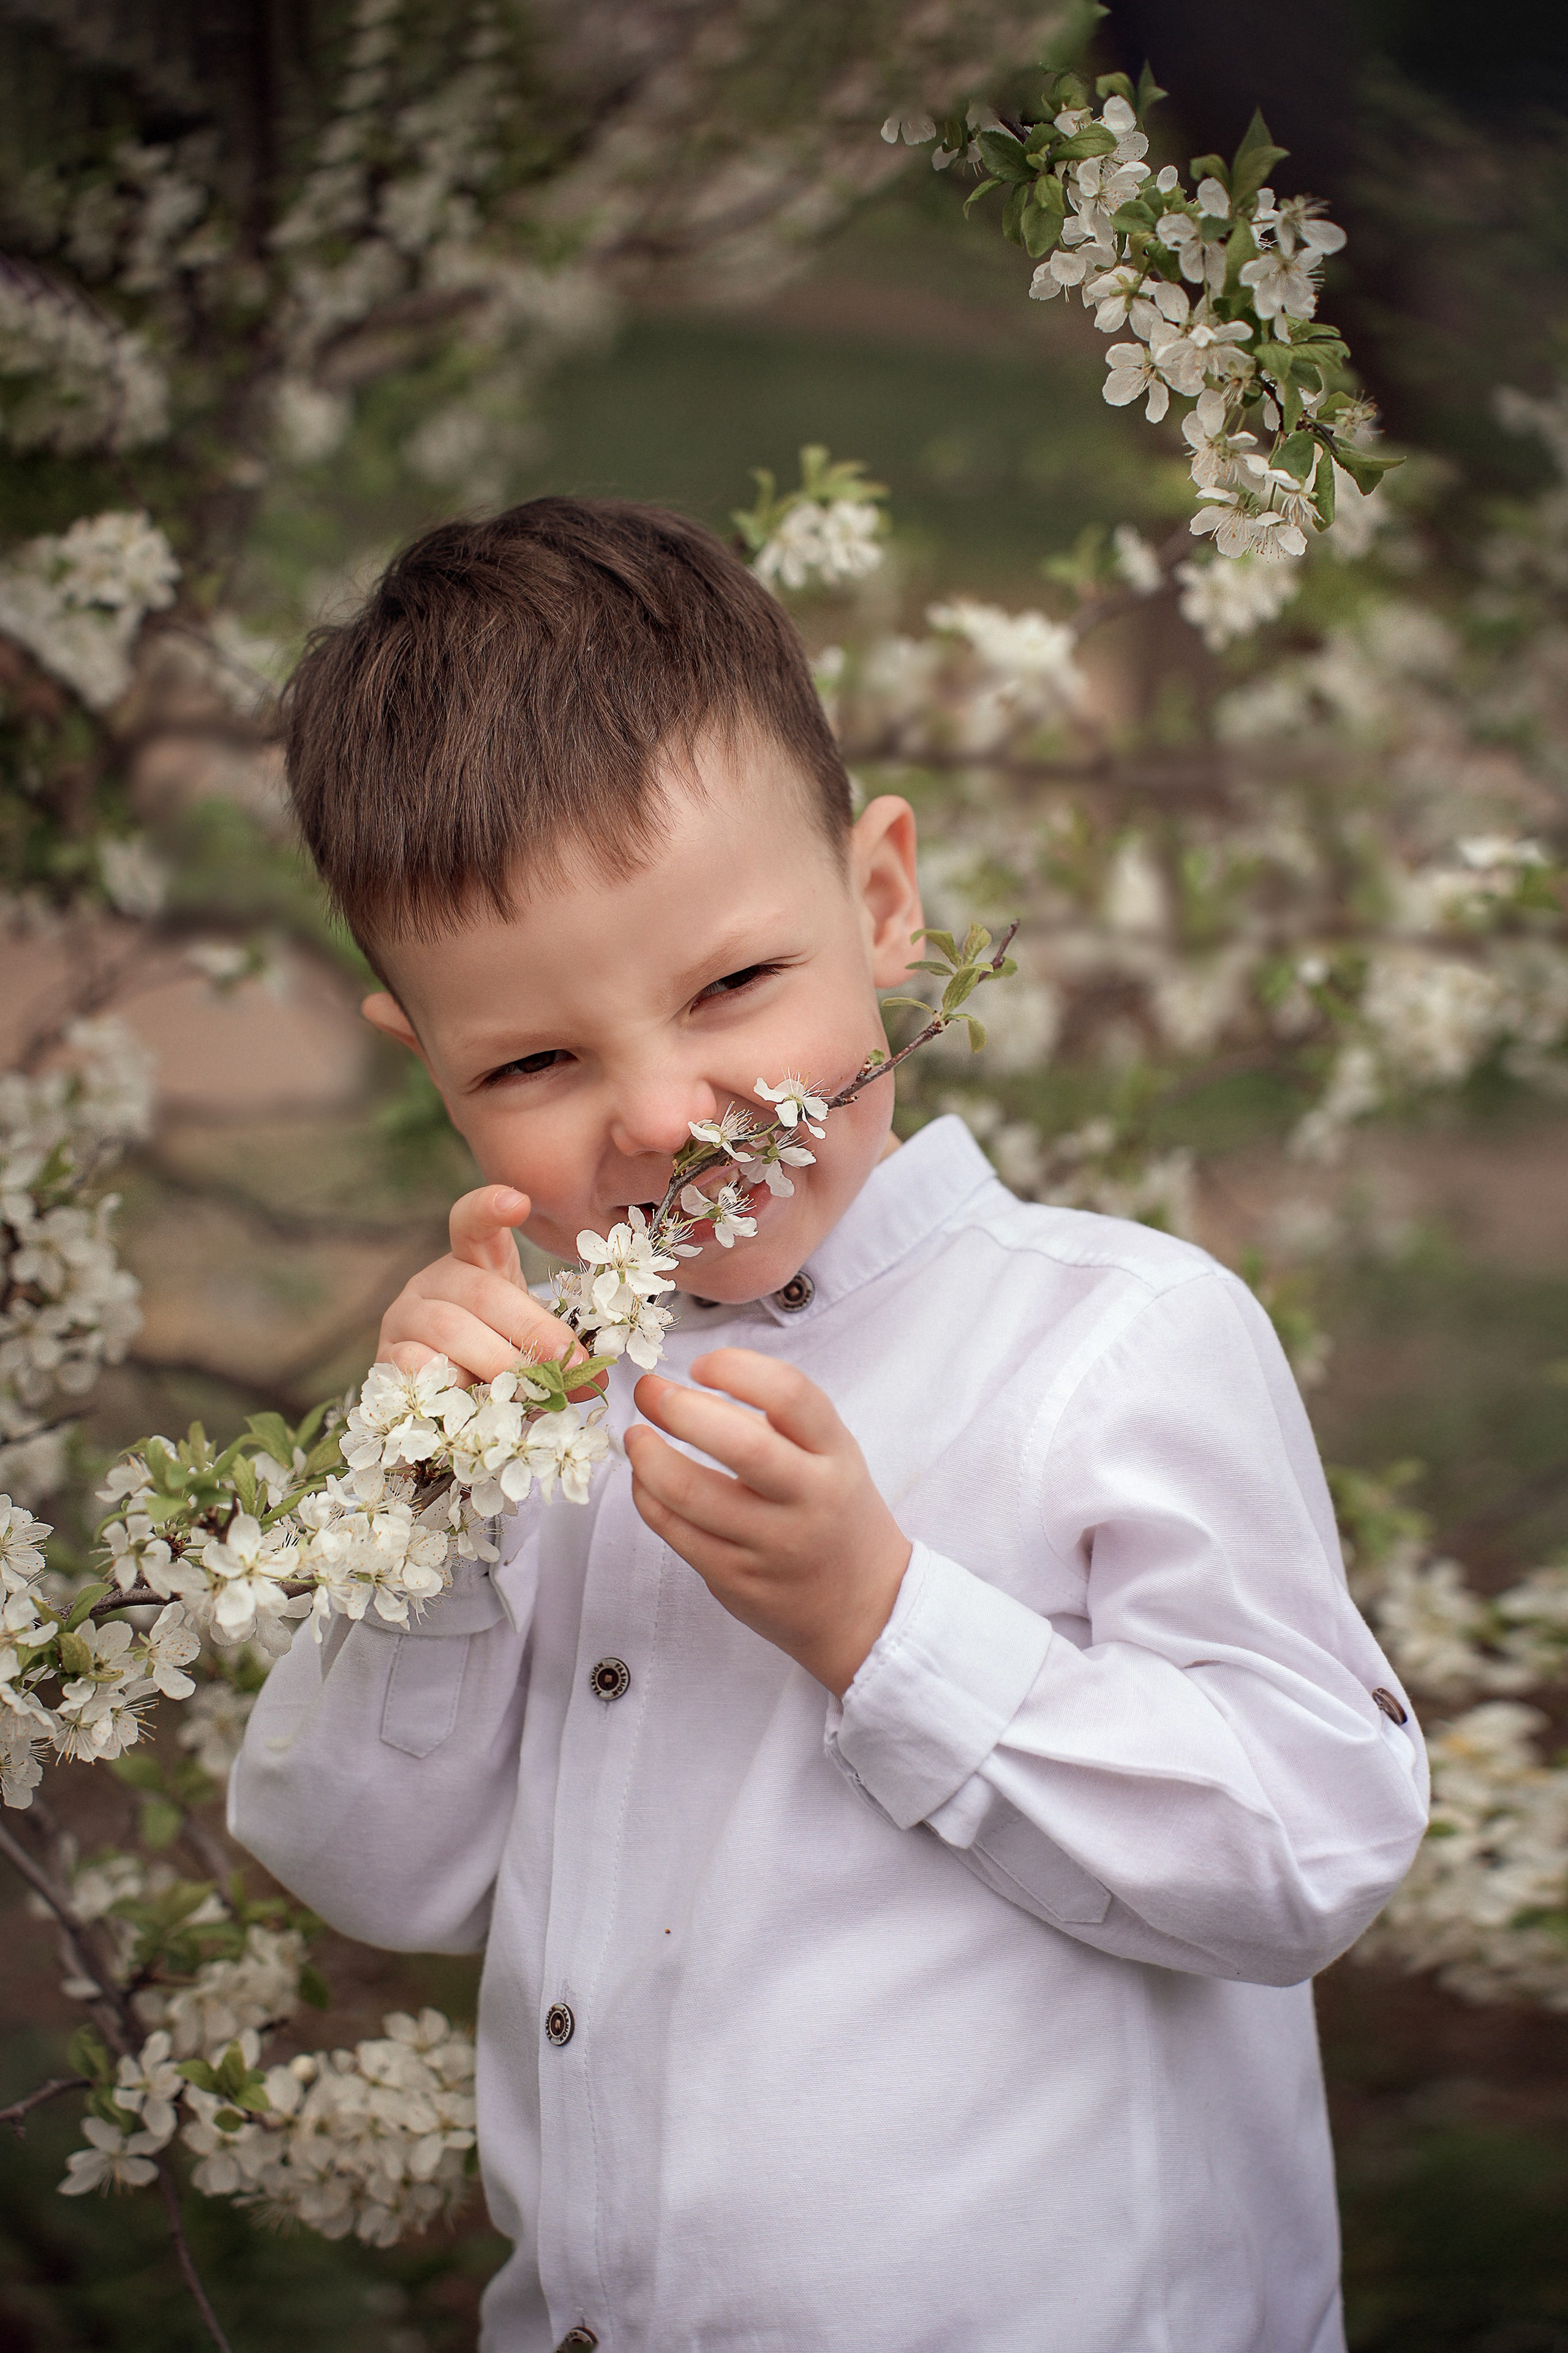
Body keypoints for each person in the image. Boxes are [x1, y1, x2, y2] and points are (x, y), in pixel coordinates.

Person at [232, 496, 1428, 2353]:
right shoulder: (521, 1403)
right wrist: (428, 1531)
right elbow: (371, 1871)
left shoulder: (1113, 1340)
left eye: (731, 987)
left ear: (878, 904)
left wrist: (887, 1622)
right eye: (534, 1061)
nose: (663, 1114)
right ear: (432, 1064)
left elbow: (1312, 1849)